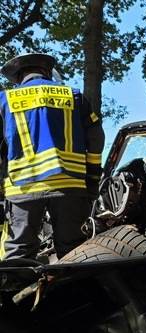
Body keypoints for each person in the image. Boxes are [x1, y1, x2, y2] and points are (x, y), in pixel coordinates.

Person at [0, 53, 105, 259]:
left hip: (23, 188)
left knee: (19, 252)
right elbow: (96, 138)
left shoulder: (6, 100)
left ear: (18, 76)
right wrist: (92, 179)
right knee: (74, 252)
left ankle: (19, 280)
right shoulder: (74, 96)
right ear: (47, 72)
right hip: (70, 186)